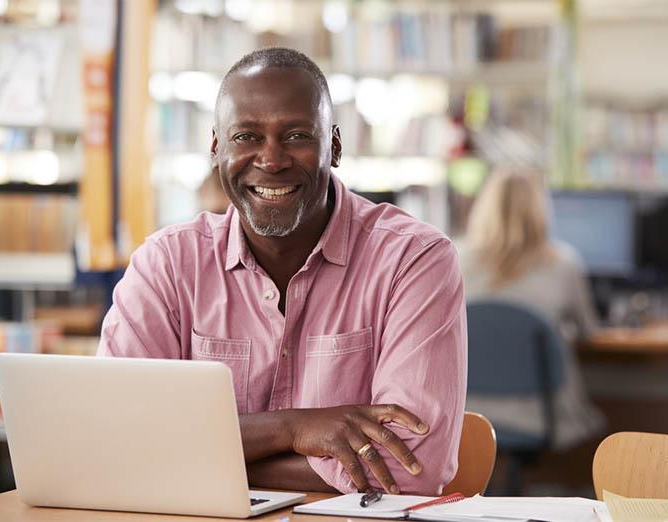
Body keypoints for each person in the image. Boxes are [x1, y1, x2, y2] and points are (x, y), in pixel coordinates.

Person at [97, 48, 466, 496]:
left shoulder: (414, 260)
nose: (271, 160)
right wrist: (291, 429)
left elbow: (413, 468)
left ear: (334, 145)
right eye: (246, 137)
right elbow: (116, 444)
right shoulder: (166, 264)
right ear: (216, 147)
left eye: (295, 136)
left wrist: (190, 459)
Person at [458, 170, 605, 449]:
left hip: (467, 414)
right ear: (540, 211)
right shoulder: (563, 264)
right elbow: (589, 332)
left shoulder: (454, 258)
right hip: (540, 414)